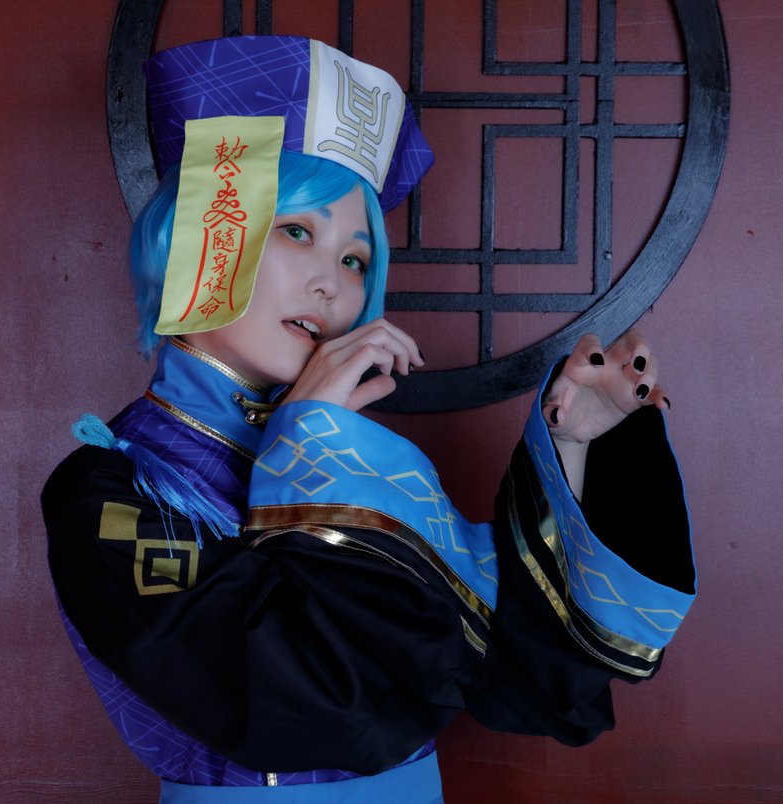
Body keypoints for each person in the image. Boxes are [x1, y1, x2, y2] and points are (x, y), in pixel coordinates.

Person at [43, 34, 696, 803]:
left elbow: (513, 665)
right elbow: (309, 703)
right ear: (204, 243)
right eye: (297, 231)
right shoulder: (110, 489)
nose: (332, 284)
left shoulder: (349, 455)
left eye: (355, 260)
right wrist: (310, 438)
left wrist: (574, 444)